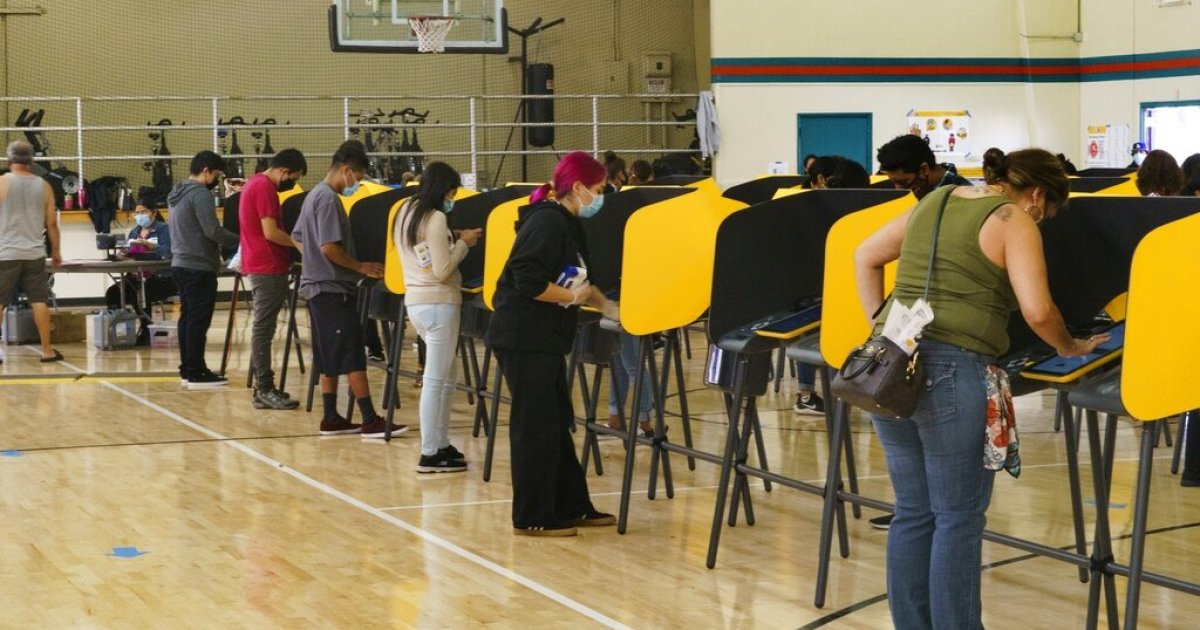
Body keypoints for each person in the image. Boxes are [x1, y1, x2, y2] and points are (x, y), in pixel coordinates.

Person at [853, 148, 1106, 629]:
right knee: (958, 517)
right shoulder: (1013, 218)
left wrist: (879, 329)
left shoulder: (937, 199)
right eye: (1048, 212)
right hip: (954, 368)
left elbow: (865, 256)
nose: (1044, 220)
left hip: (889, 366)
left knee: (913, 512)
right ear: (1037, 195)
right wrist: (1071, 345)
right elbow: (1038, 311)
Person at [486, 151, 620, 536]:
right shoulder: (547, 222)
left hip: (543, 339)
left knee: (556, 422)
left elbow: (580, 280)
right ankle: (531, 516)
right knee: (535, 427)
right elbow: (527, 278)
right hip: (523, 337)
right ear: (578, 188)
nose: (601, 197)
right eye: (598, 189)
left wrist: (609, 307)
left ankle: (571, 505)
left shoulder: (567, 222)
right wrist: (568, 298)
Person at [292, 140, 402, 438]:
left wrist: (312, 260)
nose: (359, 184)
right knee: (352, 352)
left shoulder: (312, 194)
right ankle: (369, 419)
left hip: (316, 286)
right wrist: (359, 266)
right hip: (330, 289)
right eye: (360, 178)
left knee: (327, 355)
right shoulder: (328, 199)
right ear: (347, 171)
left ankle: (331, 417)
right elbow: (329, 247)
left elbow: (298, 237)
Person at [394, 161, 481, 472]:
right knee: (435, 380)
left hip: (416, 303)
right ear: (444, 189)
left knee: (446, 377)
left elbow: (425, 251)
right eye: (452, 192)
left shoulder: (406, 210)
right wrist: (463, 244)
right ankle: (430, 452)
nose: (452, 197)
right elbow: (443, 271)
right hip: (439, 303)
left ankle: (442, 443)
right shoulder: (436, 217)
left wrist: (448, 238)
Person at [239, 148, 307, 410]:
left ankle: (263, 388)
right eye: (294, 178)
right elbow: (270, 232)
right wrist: (297, 245)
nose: (292, 183)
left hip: (263, 263)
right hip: (266, 265)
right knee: (264, 328)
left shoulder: (255, 183)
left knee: (263, 327)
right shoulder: (265, 187)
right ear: (284, 171)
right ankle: (265, 388)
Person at [168, 151, 239, 388]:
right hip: (198, 266)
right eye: (217, 174)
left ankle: (188, 368)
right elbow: (213, 231)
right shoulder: (199, 194)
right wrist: (243, 241)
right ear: (206, 170)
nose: (217, 180)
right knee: (198, 320)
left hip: (180, 263)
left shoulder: (177, 192)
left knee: (188, 318)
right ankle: (197, 371)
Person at [0, 140, 62, 363]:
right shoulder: (44, 185)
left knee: (0, 301)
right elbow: (51, 224)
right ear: (32, 160)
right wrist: (56, 251)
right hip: (34, 252)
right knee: (39, 300)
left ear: (9, 160)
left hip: (5, 253)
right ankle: (46, 350)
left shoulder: (1, 183)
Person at [105, 202, 176, 344]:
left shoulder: (164, 229)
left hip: (162, 276)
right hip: (136, 275)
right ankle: (118, 331)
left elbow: (169, 253)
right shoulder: (134, 232)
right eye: (136, 213)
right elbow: (129, 253)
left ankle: (146, 329)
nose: (139, 216)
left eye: (143, 212)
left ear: (153, 212)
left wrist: (152, 247)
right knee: (113, 292)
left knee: (140, 291)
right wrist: (123, 255)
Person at [877, 134, 971, 200]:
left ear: (924, 169)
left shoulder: (963, 196)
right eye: (894, 182)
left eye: (904, 182)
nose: (898, 189)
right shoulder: (928, 192)